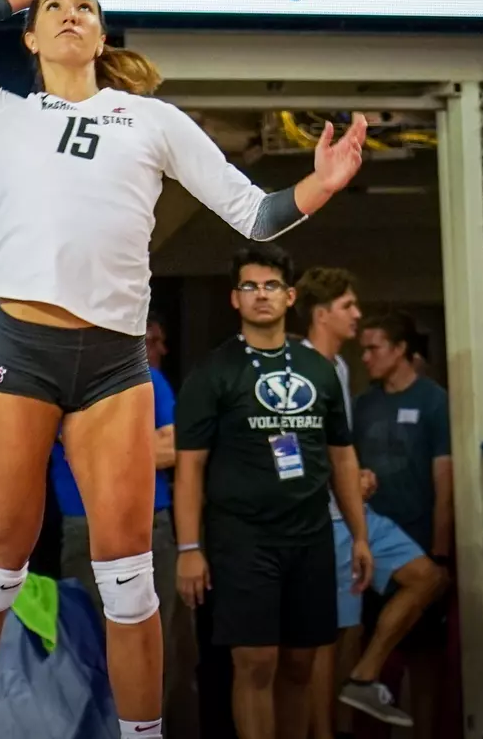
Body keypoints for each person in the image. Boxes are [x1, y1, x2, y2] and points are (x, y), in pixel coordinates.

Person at [0, 0, 367, 739]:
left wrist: (319, 187)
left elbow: (254, 215)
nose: (68, 14)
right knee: (0, 561)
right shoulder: (2, 111)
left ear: (100, 33)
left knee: (127, 580)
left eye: (83, 6)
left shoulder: (151, 121)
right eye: (53, 9)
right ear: (28, 36)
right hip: (19, 349)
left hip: (113, 362)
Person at [174, 246, 370, 739]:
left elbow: (342, 457)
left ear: (290, 296)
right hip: (242, 538)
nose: (261, 295)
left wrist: (360, 536)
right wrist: (189, 549)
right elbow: (190, 468)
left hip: (310, 534)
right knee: (256, 660)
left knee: (302, 663)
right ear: (234, 299)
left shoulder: (319, 368)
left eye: (270, 286)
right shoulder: (213, 372)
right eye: (249, 286)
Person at [296, 269, 447, 734]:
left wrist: (352, 472)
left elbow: (337, 444)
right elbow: (283, 444)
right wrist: (331, 481)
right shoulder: (294, 366)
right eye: (348, 307)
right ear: (323, 315)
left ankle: (364, 676)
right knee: (328, 639)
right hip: (316, 520)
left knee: (426, 578)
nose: (357, 316)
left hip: (354, 515)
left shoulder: (340, 369)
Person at [49, 318, 199, 736]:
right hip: (87, 526)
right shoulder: (60, 375)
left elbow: (172, 448)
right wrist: (132, 446)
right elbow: (64, 443)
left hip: (153, 524)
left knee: (164, 648)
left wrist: (96, 444)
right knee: (92, 645)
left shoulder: (147, 377)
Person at [353, 312, 454, 739]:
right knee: (376, 656)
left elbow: (444, 482)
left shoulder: (433, 402)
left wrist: (441, 551)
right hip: (373, 549)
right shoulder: (363, 405)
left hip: (419, 541)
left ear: (400, 350)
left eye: (374, 348)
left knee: (426, 660)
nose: (365, 357)